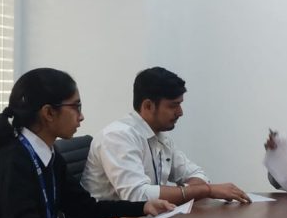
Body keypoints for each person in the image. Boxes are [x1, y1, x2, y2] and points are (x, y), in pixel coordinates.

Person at [0, 68, 170, 218]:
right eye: (76, 107)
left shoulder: (50, 156)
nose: (82, 116)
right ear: (49, 113)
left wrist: (144, 207)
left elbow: (86, 209)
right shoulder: (11, 161)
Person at [83, 67, 250, 205]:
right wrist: (205, 190)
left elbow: (196, 174)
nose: (180, 112)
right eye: (173, 106)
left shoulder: (159, 136)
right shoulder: (117, 136)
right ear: (148, 106)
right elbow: (137, 197)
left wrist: (197, 189)